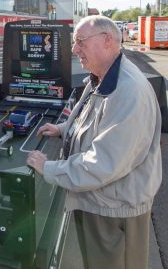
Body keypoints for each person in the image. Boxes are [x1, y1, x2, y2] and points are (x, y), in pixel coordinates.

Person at [27, 15, 161, 269]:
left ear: (107, 40)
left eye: (80, 42)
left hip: (113, 216)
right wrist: (62, 129)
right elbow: (94, 122)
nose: (75, 49)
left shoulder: (128, 92)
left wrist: (49, 168)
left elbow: (103, 163)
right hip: (99, 204)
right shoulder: (102, 77)